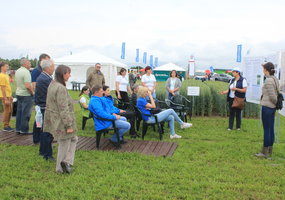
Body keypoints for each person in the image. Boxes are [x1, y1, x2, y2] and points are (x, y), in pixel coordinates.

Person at [43, 65, 78, 173]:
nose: (70, 75)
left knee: (73, 139)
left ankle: (66, 162)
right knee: (64, 142)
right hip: (61, 120)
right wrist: (68, 125)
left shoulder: (53, 84)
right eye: (68, 73)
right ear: (63, 74)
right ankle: (60, 167)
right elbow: (63, 108)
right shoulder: (60, 88)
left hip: (55, 118)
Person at [255, 62, 279, 159]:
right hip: (271, 107)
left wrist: (275, 103)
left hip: (268, 107)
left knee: (267, 130)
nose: (263, 70)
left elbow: (273, 96)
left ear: (266, 70)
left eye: (263, 68)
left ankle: (264, 152)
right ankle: (269, 151)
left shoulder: (269, 80)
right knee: (271, 129)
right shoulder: (275, 79)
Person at [34, 59, 55, 161]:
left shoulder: (43, 77)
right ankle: (47, 154)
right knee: (48, 131)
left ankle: (43, 150)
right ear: (48, 67)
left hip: (43, 106)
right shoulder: (45, 79)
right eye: (53, 66)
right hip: (46, 107)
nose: (54, 68)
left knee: (44, 130)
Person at [32, 54, 51, 144]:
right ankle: (37, 138)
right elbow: (34, 85)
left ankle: (38, 137)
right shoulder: (37, 71)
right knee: (39, 121)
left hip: (41, 100)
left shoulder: (43, 72)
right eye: (48, 60)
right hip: (41, 101)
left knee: (39, 120)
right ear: (42, 60)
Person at [15, 58, 34, 135]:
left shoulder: (18, 71)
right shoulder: (26, 72)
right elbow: (27, 86)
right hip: (26, 95)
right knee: (26, 113)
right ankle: (24, 130)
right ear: (25, 64)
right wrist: (32, 93)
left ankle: (18, 129)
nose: (30, 65)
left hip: (19, 93)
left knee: (19, 112)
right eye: (29, 63)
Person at [0, 62, 14, 131]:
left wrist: (10, 95)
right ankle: (5, 126)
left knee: (10, 111)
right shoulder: (1, 75)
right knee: (6, 111)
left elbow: (8, 86)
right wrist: (5, 99)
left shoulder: (6, 75)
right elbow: (2, 88)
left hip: (8, 95)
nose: (7, 68)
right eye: (6, 66)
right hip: (4, 96)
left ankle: (8, 125)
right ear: (2, 67)